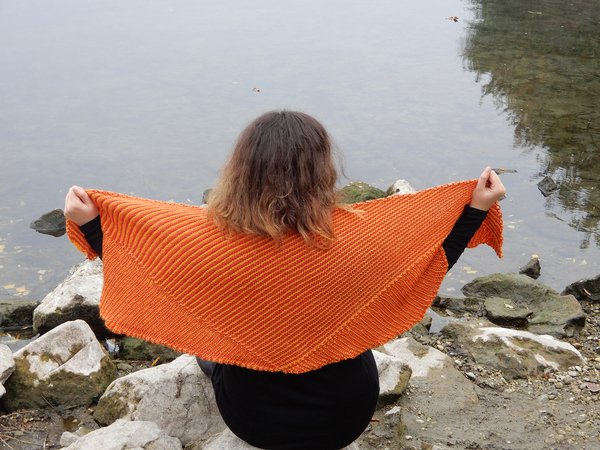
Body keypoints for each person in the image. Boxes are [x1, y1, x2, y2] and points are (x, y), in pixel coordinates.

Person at [65, 110, 505, 450]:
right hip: (344, 417)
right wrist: (476, 208)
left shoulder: (204, 242)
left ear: (242, 168)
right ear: (323, 169)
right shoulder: (364, 236)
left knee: (208, 344)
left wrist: (92, 225)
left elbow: (144, 268)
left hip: (254, 421)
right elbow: (429, 264)